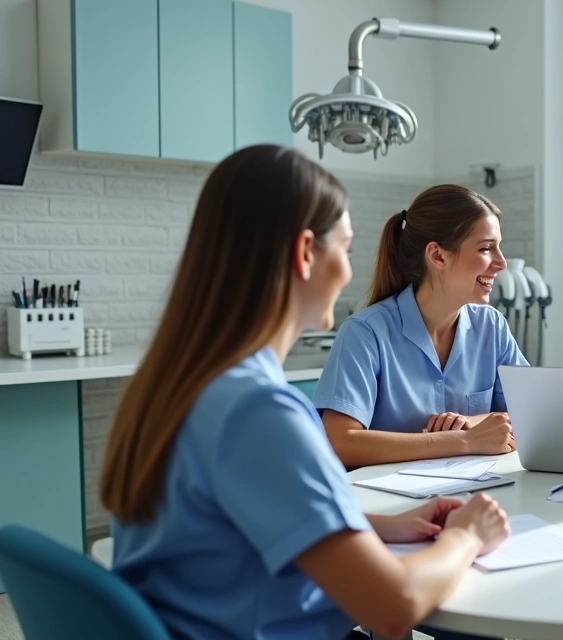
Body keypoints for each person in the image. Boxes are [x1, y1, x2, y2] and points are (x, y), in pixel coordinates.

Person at [100, 146, 511, 640]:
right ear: (305, 253)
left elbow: (245, 519)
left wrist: (381, 524)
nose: (349, 272)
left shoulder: (181, 383)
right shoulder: (259, 411)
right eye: (345, 248)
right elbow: (395, 606)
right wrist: (468, 536)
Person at [314, 185, 527, 469]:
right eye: (486, 248)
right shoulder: (365, 333)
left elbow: (534, 414)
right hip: (381, 494)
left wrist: (472, 423)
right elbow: (340, 443)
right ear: (438, 256)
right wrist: (463, 440)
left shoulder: (492, 326)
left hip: (476, 486)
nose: (501, 263)